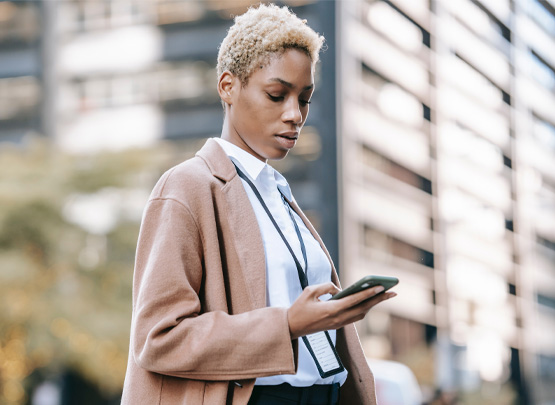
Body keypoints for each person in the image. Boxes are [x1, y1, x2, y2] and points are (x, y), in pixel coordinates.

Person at [121, 4, 396, 404]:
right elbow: (158, 338)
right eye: (276, 94)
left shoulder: (278, 194)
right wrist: (285, 325)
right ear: (228, 86)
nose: (294, 115)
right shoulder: (187, 187)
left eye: (304, 99)